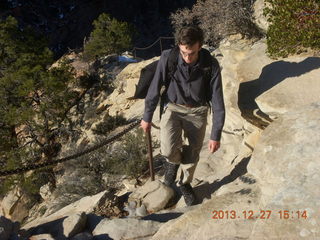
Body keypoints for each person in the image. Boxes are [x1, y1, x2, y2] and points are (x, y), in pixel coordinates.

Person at [140, 26, 225, 206]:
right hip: (172, 108)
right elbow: (155, 87)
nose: (187, 58)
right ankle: (172, 166)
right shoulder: (168, 58)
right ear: (179, 46)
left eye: (192, 53)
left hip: (198, 111)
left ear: (200, 46)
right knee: (168, 149)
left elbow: (218, 100)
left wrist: (215, 134)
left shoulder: (211, 64)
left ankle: (184, 183)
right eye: (184, 53)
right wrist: (147, 116)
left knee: (193, 152)